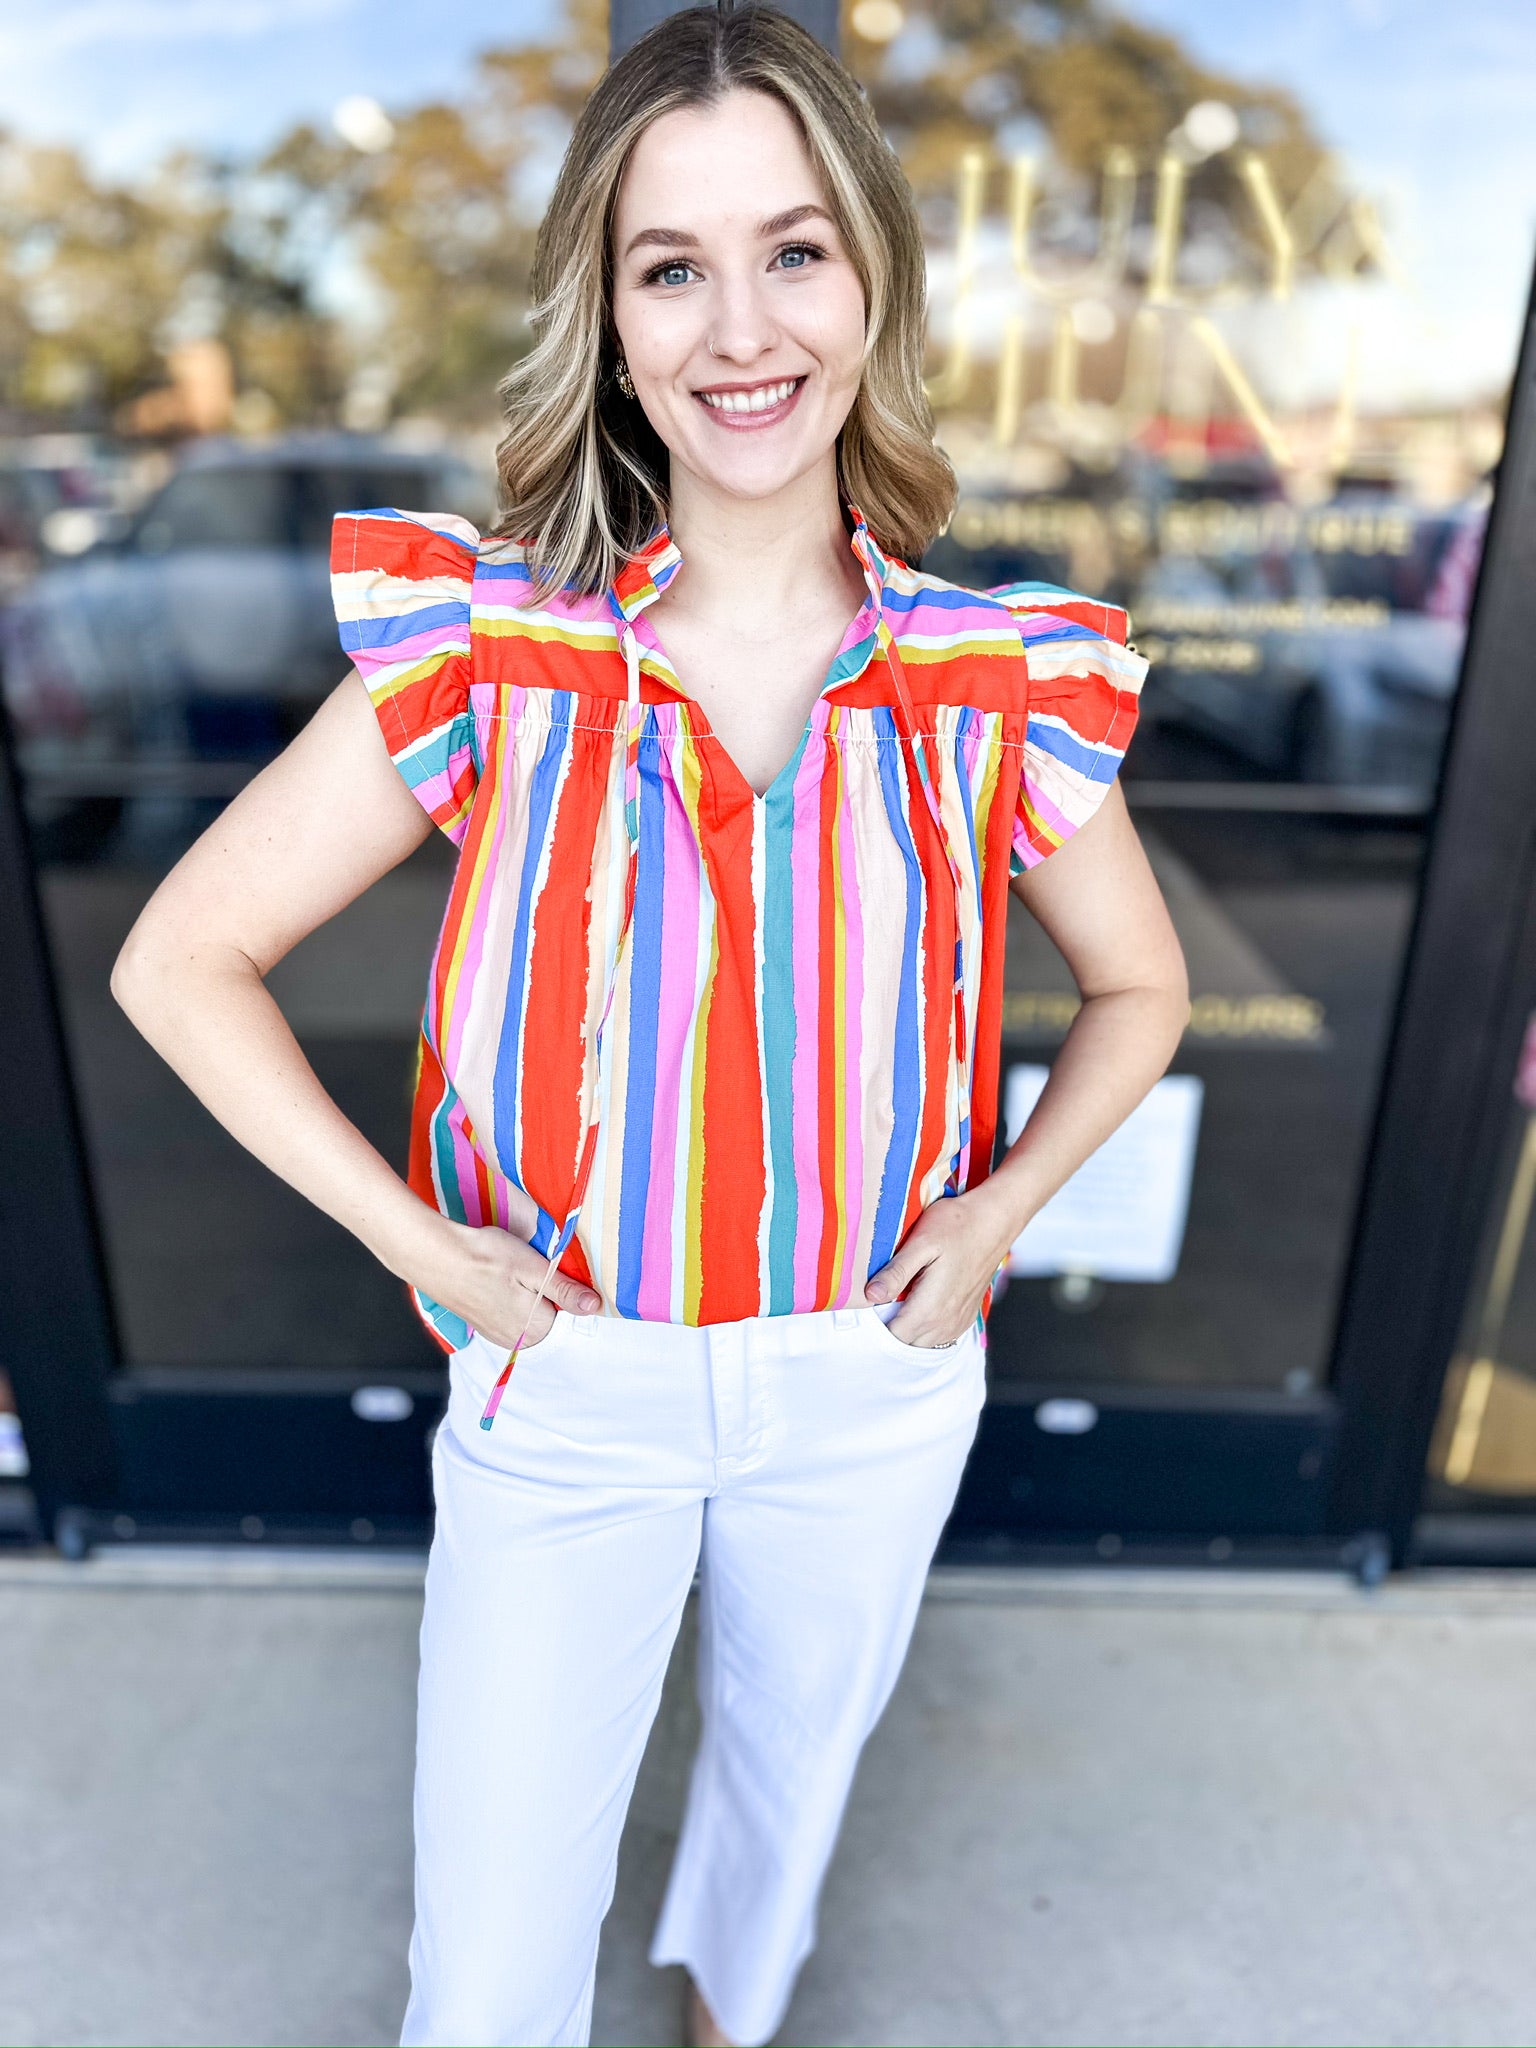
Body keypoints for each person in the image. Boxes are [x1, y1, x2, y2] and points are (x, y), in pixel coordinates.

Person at [111, 7, 1189, 2043]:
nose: (739, 326)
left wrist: (1004, 1210)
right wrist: (421, 1248)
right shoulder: (493, 649)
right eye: (669, 266)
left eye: (793, 250)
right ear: (607, 320)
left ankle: (723, 2009)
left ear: (871, 276)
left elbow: (1143, 986)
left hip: (868, 1372)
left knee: (783, 1817)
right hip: (567, 1383)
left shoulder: (1000, 675)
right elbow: (179, 958)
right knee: (491, 1971)